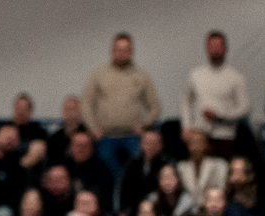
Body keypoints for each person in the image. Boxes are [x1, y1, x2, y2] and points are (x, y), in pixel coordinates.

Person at [85, 35, 163, 185]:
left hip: (133, 137)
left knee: (136, 176)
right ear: (112, 50)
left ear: (131, 51)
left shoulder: (142, 76)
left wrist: (144, 125)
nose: (122, 53)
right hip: (105, 137)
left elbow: (155, 106)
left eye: (126, 50)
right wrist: (93, 128)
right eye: (118, 49)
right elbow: (86, 104)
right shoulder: (99, 75)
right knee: (107, 176)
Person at [181, 33, 249, 159]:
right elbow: (185, 102)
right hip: (199, 136)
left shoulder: (235, 77)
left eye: (219, 46)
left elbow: (244, 109)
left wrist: (220, 116)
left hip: (224, 136)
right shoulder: (196, 75)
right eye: (212, 46)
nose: (215, 50)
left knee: (222, 169)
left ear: (225, 48)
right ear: (207, 49)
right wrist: (186, 126)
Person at [119, 130, 172, 216]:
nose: (151, 146)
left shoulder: (166, 164)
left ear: (160, 145)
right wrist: (123, 211)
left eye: (154, 143)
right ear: (141, 144)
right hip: (134, 210)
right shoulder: (132, 164)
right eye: (148, 143)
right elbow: (124, 189)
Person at [0, 124, 30, 216]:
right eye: (6, 136)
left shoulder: (19, 164)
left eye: (13, 138)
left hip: (5, 209)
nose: (9, 141)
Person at [0, 95, 49, 173]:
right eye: (18, 108)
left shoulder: (39, 132)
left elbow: (32, 159)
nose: (20, 112)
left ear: (30, 111)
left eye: (24, 109)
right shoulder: (2, 127)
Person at [177, 132, 227, 202]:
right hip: (188, 206)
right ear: (188, 146)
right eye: (193, 143)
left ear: (206, 145)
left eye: (199, 143)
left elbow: (221, 188)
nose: (196, 147)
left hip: (212, 204)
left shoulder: (219, 164)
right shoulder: (181, 167)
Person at [48, 99, 91, 168]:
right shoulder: (54, 139)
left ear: (80, 112)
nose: (70, 113)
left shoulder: (89, 135)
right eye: (67, 110)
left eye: (73, 109)